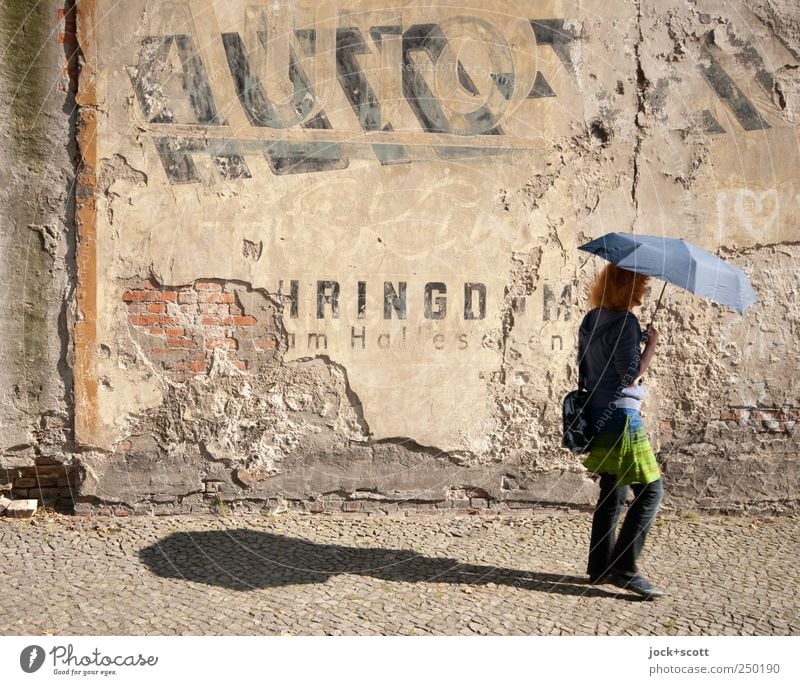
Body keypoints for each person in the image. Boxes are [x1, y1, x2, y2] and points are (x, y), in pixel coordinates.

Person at [577, 263, 665, 599]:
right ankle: (625, 568)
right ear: (628, 287)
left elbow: (586, 369)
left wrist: (633, 342)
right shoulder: (626, 322)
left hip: (597, 412)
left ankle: (599, 567)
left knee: (613, 493)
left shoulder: (591, 319)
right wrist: (651, 345)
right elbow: (630, 375)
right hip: (623, 418)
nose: (642, 291)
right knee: (651, 492)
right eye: (640, 284)